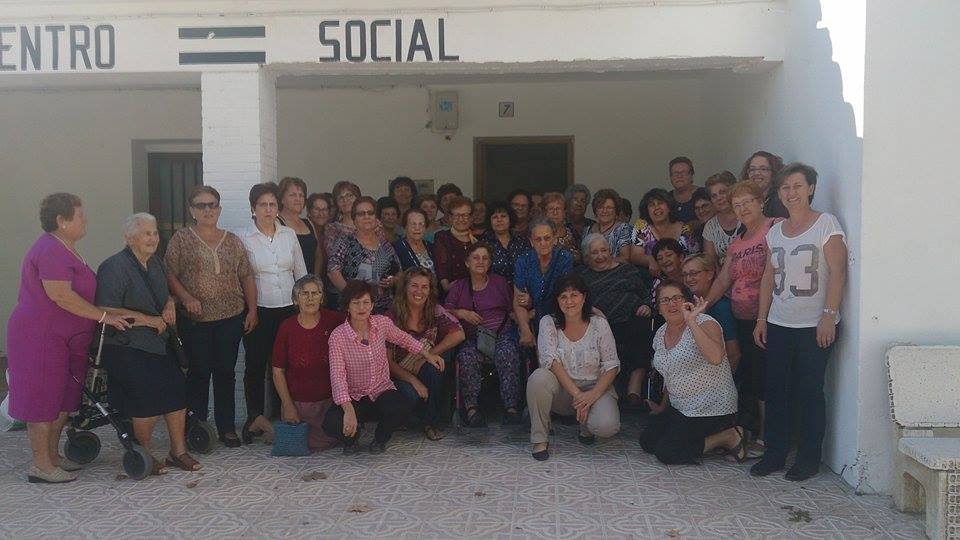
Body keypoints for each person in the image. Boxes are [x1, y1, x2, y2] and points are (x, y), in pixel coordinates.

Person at [7, 193, 133, 483]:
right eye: (80, 215)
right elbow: (61, 295)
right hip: (40, 336)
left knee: (62, 398)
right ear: (62, 221)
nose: (85, 219)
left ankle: (52, 456)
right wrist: (103, 317)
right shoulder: (50, 249)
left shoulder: (68, 249)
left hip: (68, 338)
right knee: (42, 398)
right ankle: (40, 465)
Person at [751, 163, 847, 481]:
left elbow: (837, 272)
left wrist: (828, 316)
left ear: (811, 189)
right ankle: (775, 454)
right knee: (776, 390)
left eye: (797, 186)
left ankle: (808, 458)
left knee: (809, 391)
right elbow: (768, 276)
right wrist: (762, 318)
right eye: (785, 188)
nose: (791, 193)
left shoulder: (826, 225)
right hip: (780, 323)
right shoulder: (776, 232)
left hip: (813, 325)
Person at [97, 213, 201, 474]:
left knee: (177, 388)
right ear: (129, 237)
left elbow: (164, 294)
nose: (153, 238)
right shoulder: (114, 267)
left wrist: (168, 304)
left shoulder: (155, 263)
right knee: (147, 394)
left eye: (154, 233)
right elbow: (105, 309)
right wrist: (148, 320)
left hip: (156, 342)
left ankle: (178, 452)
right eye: (146, 234)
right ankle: (143, 452)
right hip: (124, 344)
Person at [165, 186, 258, 448]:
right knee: (198, 372)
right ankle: (196, 426)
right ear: (191, 210)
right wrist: (185, 297)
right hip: (195, 320)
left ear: (219, 208)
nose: (208, 210)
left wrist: (252, 310)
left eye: (212, 205)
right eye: (201, 205)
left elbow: (246, 275)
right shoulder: (181, 239)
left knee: (226, 372)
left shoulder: (232, 240)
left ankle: (226, 428)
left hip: (230, 317)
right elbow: (169, 273)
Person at [322, 281, 446, 454]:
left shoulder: (381, 323)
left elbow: (403, 338)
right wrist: (348, 411)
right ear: (347, 307)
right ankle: (351, 440)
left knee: (402, 407)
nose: (361, 307)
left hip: (381, 390)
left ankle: (380, 440)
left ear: (372, 305)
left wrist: (427, 354)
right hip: (355, 395)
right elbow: (337, 377)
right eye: (356, 303)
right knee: (331, 423)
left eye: (366, 302)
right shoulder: (338, 337)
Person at [640, 281, 747, 465]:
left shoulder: (706, 323)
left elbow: (716, 357)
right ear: (658, 308)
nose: (671, 304)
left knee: (667, 452)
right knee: (648, 441)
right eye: (665, 300)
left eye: (677, 298)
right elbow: (671, 375)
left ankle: (728, 436)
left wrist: (691, 321)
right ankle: (701, 438)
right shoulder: (660, 333)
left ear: (687, 302)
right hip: (682, 407)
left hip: (711, 407)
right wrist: (663, 407)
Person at [705, 181, 778, 445]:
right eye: (737, 205)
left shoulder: (775, 227)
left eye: (748, 202)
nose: (743, 208)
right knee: (749, 377)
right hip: (742, 319)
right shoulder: (736, 243)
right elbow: (724, 279)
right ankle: (752, 431)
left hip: (767, 319)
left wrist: (762, 317)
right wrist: (703, 305)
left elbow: (772, 271)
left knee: (764, 378)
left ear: (761, 202)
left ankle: (768, 437)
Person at [240, 182, 308, 442]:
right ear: (253, 209)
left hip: (288, 309)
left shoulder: (288, 235)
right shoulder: (243, 238)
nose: (268, 210)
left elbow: (300, 273)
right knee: (256, 364)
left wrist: (304, 307)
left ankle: (283, 415)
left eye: (272, 205)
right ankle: (254, 417)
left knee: (284, 364)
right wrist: (251, 310)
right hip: (259, 309)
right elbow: (242, 277)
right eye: (263, 205)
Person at [528, 275, 621, 461]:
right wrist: (579, 396)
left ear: (584, 297)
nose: (569, 301)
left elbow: (611, 365)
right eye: (563, 297)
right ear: (557, 300)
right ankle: (540, 438)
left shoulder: (599, 324)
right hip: (562, 391)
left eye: (574, 295)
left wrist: (590, 396)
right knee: (538, 378)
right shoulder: (548, 322)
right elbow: (550, 361)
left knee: (607, 425)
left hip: (594, 389)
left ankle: (586, 428)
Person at [444, 243, 522, 427]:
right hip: (473, 339)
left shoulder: (500, 282)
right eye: (476, 258)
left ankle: (511, 408)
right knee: (467, 356)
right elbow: (444, 311)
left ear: (490, 263)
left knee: (508, 353)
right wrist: (462, 313)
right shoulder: (459, 287)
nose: (480, 261)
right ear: (467, 263)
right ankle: (471, 409)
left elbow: (512, 310)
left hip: (502, 335)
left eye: (485, 258)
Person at [388, 268, 465, 440]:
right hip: (398, 374)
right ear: (404, 288)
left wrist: (428, 354)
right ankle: (407, 418)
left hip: (422, 366)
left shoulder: (435, 310)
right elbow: (387, 363)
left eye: (424, 287)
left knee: (435, 367)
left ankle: (430, 423)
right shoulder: (391, 316)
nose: (419, 291)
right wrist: (413, 380)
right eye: (414, 286)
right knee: (411, 396)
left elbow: (459, 333)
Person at [271, 275, 345, 453]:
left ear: (322, 297)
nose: (310, 298)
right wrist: (288, 406)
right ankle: (263, 424)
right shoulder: (287, 328)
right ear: (296, 299)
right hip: (298, 407)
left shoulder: (335, 321)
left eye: (315, 293)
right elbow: (277, 371)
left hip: (330, 404)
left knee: (339, 437)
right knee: (299, 445)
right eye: (304, 294)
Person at [578, 234, 652, 406]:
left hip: (629, 319)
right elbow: (576, 300)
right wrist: (591, 310)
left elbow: (646, 295)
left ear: (610, 251)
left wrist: (647, 306)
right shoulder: (581, 276)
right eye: (594, 252)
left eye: (604, 250)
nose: (600, 256)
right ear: (587, 257)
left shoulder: (627, 270)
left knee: (642, 326)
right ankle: (604, 387)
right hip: (597, 323)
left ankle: (635, 385)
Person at [328, 196, 399, 314]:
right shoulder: (345, 241)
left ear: (376, 218)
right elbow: (332, 270)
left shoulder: (385, 246)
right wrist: (352, 298)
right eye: (361, 214)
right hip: (354, 310)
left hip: (383, 310)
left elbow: (400, 273)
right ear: (354, 219)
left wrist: (394, 280)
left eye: (370, 213)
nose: (366, 216)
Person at [514, 218, 574, 348]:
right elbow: (519, 301)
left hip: (559, 317)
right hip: (530, 320)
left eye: (547, 238)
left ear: (554, 239)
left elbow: (566, 295)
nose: (543, 243)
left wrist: (536, 306)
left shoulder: (564, 258)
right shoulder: (522, 262)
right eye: (538, 239)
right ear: (531, 241)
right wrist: (525, 331)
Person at [681, 254, 741, 375]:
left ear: (710, 274)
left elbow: (734, 355)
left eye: (694, 273)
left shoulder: (722, 307)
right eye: (685, 275)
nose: (688, 279)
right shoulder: (688, 306)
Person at [628, 188, 701, 274]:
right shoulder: (642, 226)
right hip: (651, 277)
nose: (657, 207)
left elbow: (696, 256)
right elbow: (635, 256)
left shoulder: (685, 229)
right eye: (652, 205)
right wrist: (650, 260)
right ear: (647, 211)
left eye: (660, 203)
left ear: (669, 207)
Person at [277, 177, 322, 275]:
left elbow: (318, 255)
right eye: (293, 195)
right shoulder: (277, 223)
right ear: (282, 199)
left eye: (301, 195)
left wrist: (314, 279)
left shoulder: (308, 223)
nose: (298, 199)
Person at [432, 196, 477, 292]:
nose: (461, 219)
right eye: (456, 215)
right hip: (451, 291)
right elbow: (441, 265)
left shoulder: (477, 239)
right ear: (450, 218)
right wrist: (446, 287)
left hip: (476, 290)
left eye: (465, 215)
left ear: (472, 217)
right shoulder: (442, 237)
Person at [481, 201, 530, 285]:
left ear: (510, 219)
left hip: (521, 292)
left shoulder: (522, 241)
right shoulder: (483, 244)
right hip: (494, 292)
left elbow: (530, 267)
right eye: (495, 217)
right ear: (490, 221)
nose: (499, 220)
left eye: (503, 216)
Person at [701, 172, 741, 266]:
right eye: (714, 196)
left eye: (722, 192)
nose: (719, 198)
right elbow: (711, 263)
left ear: (732, 191)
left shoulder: (746, 215)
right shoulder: (710, 227)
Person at [586, 189, 632, 259]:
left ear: (616, 211)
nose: (605, 211)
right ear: (595, 210)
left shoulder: (623, 229)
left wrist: (602, 262)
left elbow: (625, 258)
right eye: (601, 207)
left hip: (616, 269)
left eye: (609, 208)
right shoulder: (587, 230)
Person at [740, 150, 787, 219]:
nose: (756, 173)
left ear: (774, 173)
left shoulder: (779, 201)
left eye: (763, 169)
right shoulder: (750, 199)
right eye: (752, 169)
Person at [542, 192, 581, 264]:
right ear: (545, 213)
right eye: (551, 209)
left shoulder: (573, 232)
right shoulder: (539, 235)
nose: (555, 212)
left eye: (558, 208)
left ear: (564, 213)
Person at [306, 192, 335, 289]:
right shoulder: (305, 233)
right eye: (317, 209)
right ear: (309, 211)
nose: (321, 213)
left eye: (324, 209)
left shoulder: (331, 233)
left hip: (329, 286)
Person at [393, 208, 434, 272]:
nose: (417, 228)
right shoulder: (396, 248)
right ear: (405, 226)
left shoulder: (431, 246)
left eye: (421, 224)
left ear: (425, 227)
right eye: (413, 224)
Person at [667, 156, 700, 223]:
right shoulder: (666, 198)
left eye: (683, 172)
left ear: (691, 176)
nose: (679, 176)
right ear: (670, 177)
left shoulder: (704, 194)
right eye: (675, 173)